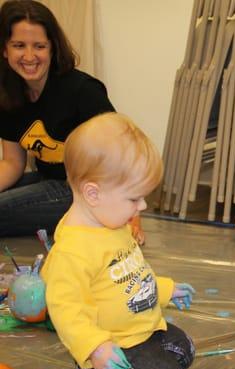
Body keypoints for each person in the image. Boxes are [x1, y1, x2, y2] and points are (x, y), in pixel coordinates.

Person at [41, 112, 196, 369]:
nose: (144, 205)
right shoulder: (73, 251)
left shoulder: (111, 222)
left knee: (185, 348)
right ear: (93, 194)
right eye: (134, 198)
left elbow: (129, 273)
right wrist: (95, 347)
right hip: (114, 344)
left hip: (140, 331)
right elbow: (65, 310)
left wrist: (164, 290)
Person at [0, 0, 146, 243]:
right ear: (4, 50)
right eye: (18, 45)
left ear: (52, 48)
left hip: (87, 192)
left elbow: (125, 153)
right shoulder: (8, 94)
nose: (29, 56)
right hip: (50, 182)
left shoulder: (82, 91)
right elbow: (13, 163)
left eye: (39, 46)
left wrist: (132, 214)